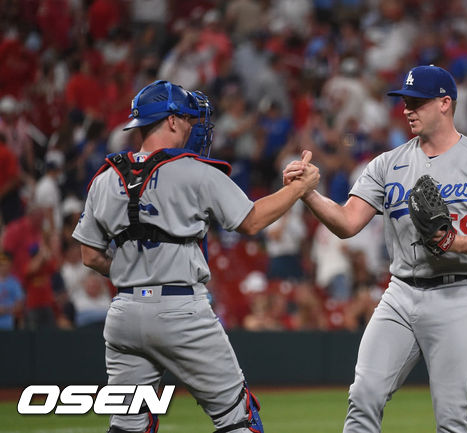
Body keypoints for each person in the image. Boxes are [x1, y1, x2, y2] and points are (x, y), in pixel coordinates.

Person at [284, 65, 467, 433]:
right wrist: (308, 194)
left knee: (451, 418)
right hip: (401, 292)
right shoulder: (386, 164)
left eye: (417, 102)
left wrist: (456, 242)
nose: (407, 109)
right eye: (405, 102)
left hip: (460, 294)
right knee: (363, 395)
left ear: (445, 103)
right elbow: (348, 223)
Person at [72, 80, 318, 433]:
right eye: (188, 118)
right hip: (180, 311)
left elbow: (90, 255)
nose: (192, 126)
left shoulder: (105, 178)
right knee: (239, 418)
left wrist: (135, 274)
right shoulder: (195, 170)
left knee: (128, 426)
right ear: (171, 121)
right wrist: (299, 188)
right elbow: (251, 222)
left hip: (124, 313)